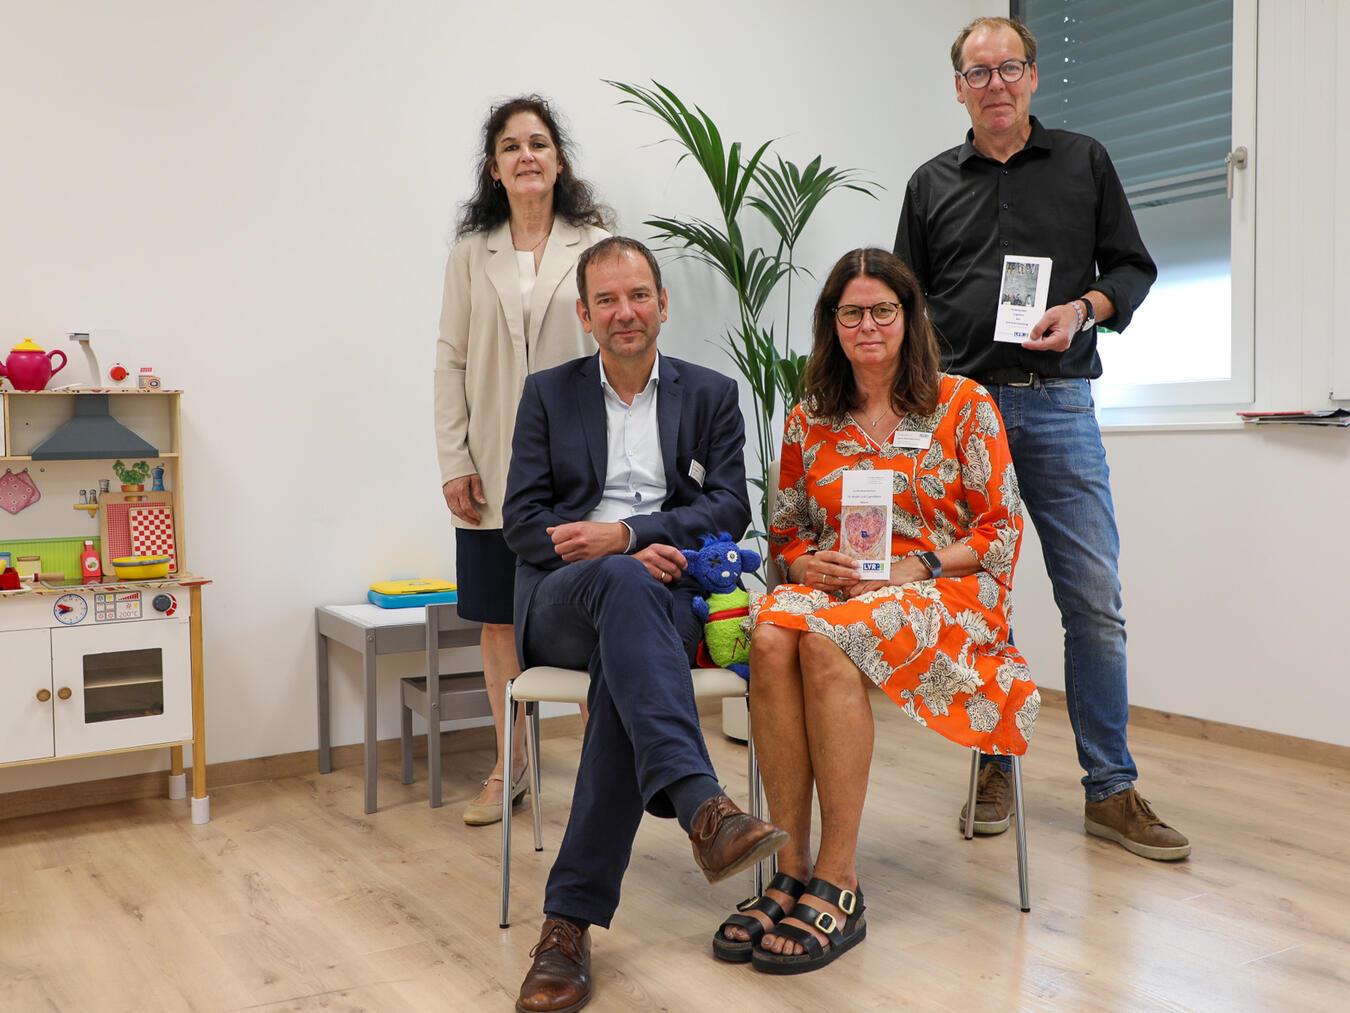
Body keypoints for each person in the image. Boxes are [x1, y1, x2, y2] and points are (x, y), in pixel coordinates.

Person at [894, 16, 1189, 860]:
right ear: (958, 86)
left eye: (1009, 67)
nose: (995, 83)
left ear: (1031, 78)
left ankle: (1112, 788)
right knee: (978, 595)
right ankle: (994, 760)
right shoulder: (928, 184)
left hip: (1057, 402)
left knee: (1093, 600)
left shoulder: (1085, 161)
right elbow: (904, 302)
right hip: (957, 415)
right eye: (977, 71)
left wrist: (1085, 309)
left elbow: (1131, 268)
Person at [714, 248, 1037, 974]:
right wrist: (801, 564)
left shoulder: (963, 402)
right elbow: (789, 531)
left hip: (946, 588)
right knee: (770, 635)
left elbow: (1000, 530)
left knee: (829, 640)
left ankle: (840, 878)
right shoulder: (810, 418)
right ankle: (789, 867)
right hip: (845, 585)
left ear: (908, 316)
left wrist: (914, 564)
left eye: (882, 310)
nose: (868, 325)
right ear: (833, 324)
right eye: (852, 312)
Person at [504, 236, 788, 1013]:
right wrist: (599, 547)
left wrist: (630, 536)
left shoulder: (709, 394)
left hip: (661, 599)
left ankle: (566, 925)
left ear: (663, 302)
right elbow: (521, 521)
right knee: (623, 590)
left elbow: (730, 504)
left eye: (638, 296)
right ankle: (702, 802)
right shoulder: (546, 393)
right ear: (585, 314)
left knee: (624, 677)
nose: (625, 312)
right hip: (564, 597)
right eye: (608, 300)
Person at [434, 95, 610, 826]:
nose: (526, 155)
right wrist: (454, 455)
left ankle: (608, 771)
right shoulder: (472, 253)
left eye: (538, 142)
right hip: (492, 466)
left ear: (559, 159)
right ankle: (511, 767)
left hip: (581, 472)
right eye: (511, 146)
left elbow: (622, 345)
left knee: (597, 616)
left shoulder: (597, 241)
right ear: (494, 167)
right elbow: (450, 357)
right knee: (497, 622)